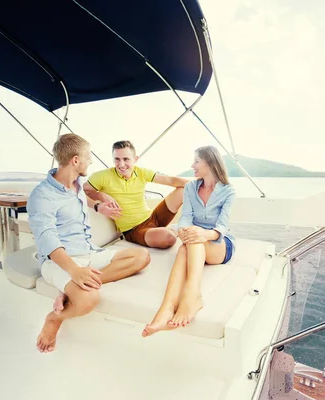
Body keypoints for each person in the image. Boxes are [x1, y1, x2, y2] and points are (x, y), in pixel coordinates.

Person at [27, 133, 151, 353]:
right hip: (59, 261)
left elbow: (89, 197)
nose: (91, 161)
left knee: (142, 257)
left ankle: (69, 290)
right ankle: (55, 318)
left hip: (88, 253)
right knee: (88, 300)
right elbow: (47, 240)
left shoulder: (77, 184)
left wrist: (99, 203)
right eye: (88, 156)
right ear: (76, 160)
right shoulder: (42, 195)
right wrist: (74, 271)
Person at [142, 145, 236, 337]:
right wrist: (184, 231)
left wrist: (203, 234)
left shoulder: (228, 191)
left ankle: (191, 296)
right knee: (185, 247)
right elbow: (185, 217)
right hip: (195, 240)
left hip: (219, 243)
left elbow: (222, 226)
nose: (192, 165)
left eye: (196, 161)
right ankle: (167, 307)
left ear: (209, 163)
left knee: (192, 241)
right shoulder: (191, 188)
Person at [83, 140, 188, 249]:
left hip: (153, 217)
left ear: (135, 159)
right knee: (169, 238)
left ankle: (192, 224)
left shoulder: (141, 172)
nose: (121, 164)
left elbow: (171, 180)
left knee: (182, 191)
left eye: (126, 159)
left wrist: (204, 185)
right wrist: (100, 196)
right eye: (117, 159)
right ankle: (173, 230)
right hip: (134, 230)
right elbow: (81, 192)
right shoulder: (102, 176)